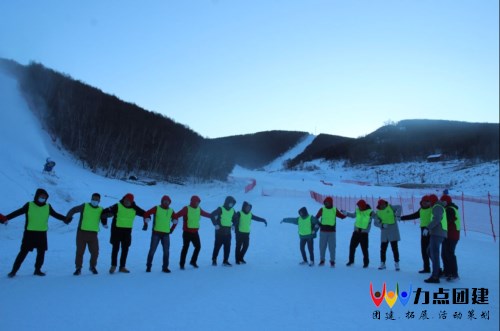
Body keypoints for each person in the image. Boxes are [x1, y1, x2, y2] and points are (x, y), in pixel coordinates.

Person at [2, 188, 66, 277]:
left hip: (42, 234)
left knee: (41, 253)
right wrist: (6, 218)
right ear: (37, 196)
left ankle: (37, 270)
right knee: (23, 252)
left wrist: (65, 219)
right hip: (29, 234)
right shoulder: (29, 205)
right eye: (41, 196)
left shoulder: (48, 206)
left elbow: (56, 215)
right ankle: (14, 271)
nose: (43, 198)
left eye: (45, 197)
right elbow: (18, 212)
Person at [101, 193, 145, 274]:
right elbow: (104, 212)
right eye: (126, 199)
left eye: (129, 200)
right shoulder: (117, 206)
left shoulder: (134, 208)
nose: (127, 201)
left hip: (127, 232)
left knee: (125, 249)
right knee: (115, 248)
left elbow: (144, 213)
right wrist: (104, 223)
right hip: (116, 231)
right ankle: (113, 265)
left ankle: (122, 267)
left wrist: (147, 219)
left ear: (132, 201)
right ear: (123, 199)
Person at [66, 193, 107, 275]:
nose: (95, 201)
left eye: (96, 199)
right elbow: (73, 210)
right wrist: (68, 217)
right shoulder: (84, 206)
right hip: (82, 233)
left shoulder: (101, 209)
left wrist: (114, 212)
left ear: (99, 201)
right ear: (91, 199)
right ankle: (78, 268)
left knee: (95, 252)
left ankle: (92, 266)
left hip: (93, 234)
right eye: (93, 199)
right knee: (80, 252)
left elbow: (107, 215)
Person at [174, 195, 211, 270]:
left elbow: (205, 214)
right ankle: (182, 264)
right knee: (185, 248)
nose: (198, 204)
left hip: (195, 232)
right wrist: (172, 217)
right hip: (187, 232)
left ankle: (193, 261)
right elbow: (177, 215)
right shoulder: (186, 209)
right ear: (193, 202)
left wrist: (212, 215)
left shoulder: (199, 209)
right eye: (197, 202)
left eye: (198, 202)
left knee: (198, 247)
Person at [143, 195, 178, 273]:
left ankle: (165, 267)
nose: (166, 202)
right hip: (156, 233)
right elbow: (146, 213)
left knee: (166, 251)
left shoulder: (171, 210)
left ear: (169, 202)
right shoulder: (157, 208)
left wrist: (172, 229)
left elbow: (176, 219)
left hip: (166, 234)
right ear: (161, 202)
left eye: (167, 201)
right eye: (164, 201)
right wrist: (146, 222)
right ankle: (148, 266)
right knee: (152, 250)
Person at [400, 195, 433, 273]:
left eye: (427, 202)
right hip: (423, 231)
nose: (425, 203)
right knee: (424, 250)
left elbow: (435, 220)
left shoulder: (432, 209)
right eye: (424, 202)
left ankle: (437, 269)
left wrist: (428, 228)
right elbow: (413, 216)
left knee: (431, 251)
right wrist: (402, 218)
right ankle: (426, 268)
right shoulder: (421, 210)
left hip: (431, 231)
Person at [314, 197, 346, 267]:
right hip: (323, 231)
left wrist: (345, 214)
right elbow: (316, 218)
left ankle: (332, 261)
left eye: (327, 202)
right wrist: (317, 224)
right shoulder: (322, 209)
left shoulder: (334, 209)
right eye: (325, 202)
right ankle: (322, 260)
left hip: (332, 232)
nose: (326, 204)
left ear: (331, 202)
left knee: (332, 247)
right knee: (322, 247)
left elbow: (341, 216)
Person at [342, 199, 373, 268]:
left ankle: (366, 263)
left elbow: (377, 217)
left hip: (364, 234)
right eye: (358, 206)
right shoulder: (358, 210)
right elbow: (353, 215)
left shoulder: (370, 212)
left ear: (363, 205)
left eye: (360, 206)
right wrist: (346, 213)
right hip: (356, 232)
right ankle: (351, 261)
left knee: (364, 249)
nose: (359, 207)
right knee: (352, 247)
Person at [424, 194, 448, 283]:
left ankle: (435, 276)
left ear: (432, 201)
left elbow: (437, 219)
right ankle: (437, 270)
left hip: (437, 233)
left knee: (434, 254)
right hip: (439, 233)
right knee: (429, 251)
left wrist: (428, 227)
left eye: (429, 201)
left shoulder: (437, 207)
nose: (428, 203)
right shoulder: (437, 206)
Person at [373, 199, 402, 271]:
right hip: (384, 232)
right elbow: (375, 223)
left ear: (385, 204)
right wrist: (382, 225)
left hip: (393, 231)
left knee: (394, 248)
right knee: (383, 249)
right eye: (381, 205)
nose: (382, 206)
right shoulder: (378, 213)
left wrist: (397, 215)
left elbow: (399, 207)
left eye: (383, 204)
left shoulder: (391, 207)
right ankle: (382, 263)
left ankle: (397, 263)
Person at [211, 196, 237, 266]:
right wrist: (215, 224)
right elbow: (212, 215)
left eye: (232, 204)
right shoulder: (220, 209)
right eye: (231, 203)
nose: (231, 205)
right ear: (227, 202)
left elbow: (235, 219)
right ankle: (214, 259)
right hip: (219, 232)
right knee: (217, 246)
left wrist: (234, 224)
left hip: (228, 232)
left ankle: (225, 261)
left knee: (227, 247)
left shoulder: (232, 210)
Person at [440, 194, 460, 281]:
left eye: (443, 201)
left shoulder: (450, 209)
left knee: (449, 253)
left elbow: (447, 221)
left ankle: (453, 273)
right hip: (447, 234)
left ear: (447, 201)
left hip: (452, 235)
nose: (442, 203)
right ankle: (447, 271)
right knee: (444, 254)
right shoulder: (447, 209)